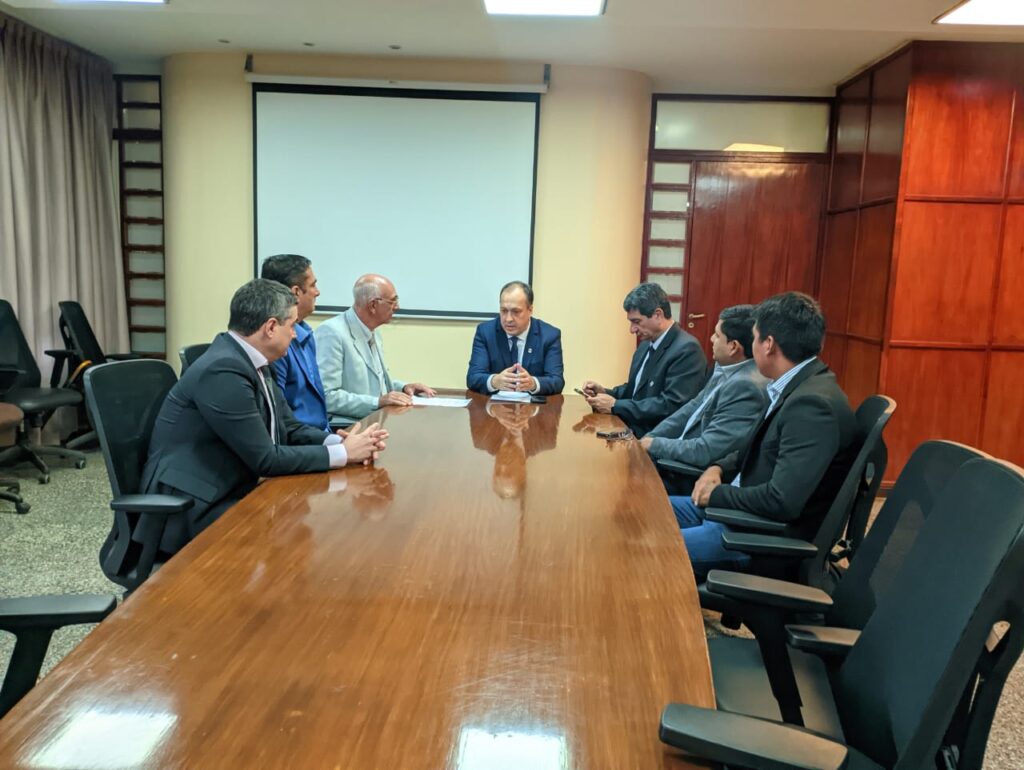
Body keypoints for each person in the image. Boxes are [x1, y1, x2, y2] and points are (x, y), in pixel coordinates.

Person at [140, 279, 388, 555]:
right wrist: (343, 454)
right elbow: (265, 459)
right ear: (270, 327)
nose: (295, 335)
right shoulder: (223, 370)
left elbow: (288, 427)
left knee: (316, 531)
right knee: (312, 544)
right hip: (194, 506)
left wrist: (338, 441)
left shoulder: (254, 359)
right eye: (291, 326)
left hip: (233, 483)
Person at [672, 292, 857, 581]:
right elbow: (753, 448)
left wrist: (717, 495)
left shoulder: (812, 406)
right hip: (736, 513)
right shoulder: (793, 385)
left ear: (768, 344)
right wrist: (717, 468)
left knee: (645, 548)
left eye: (755, 337)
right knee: (641, 514)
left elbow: (782, 501)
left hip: (756, 538)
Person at [639, 304, 768, 477]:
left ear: (733, 346)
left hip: (688, 475)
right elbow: (692, 408)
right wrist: (650, 438)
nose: (711, 339)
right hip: (676, 457)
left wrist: (654, 445)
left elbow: (706, 451)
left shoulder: (745, 386)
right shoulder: (725, 367)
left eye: (717, 335)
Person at [582, 282, 706, 437]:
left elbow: (671, 405)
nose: (632, 329)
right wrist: (605, 392)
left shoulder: (687, 349)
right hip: (630, 428)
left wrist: (615, 406)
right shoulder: (646, 344)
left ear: (658, 315)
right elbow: (636, 391)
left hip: (655, 436)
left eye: (636, 322)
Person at [315, 274, 435, 424]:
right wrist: (377, 402)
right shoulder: (332, 332)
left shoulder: (373, 331)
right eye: (392, 301)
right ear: (373, 305)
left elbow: (375, 384)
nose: (397, 307)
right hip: (347, 427)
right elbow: (326, 396)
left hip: (375, 421)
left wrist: (404, 388)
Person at [260, 253, 328, 430]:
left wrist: (335, 439)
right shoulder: (275, 342)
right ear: (296, 292)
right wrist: (331, 443)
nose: (317, 292)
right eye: (313, 285)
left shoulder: (306, 333)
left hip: (319, 435)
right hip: (301, 439)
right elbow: (278, 419)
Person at [467, 280, 565, 395]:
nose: (508, 319)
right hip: (495, 404)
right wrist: (494, 381)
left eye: (516, 311)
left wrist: (533, 383)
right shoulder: (486, 332)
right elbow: (473, 377)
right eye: (504, 311)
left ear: (530, 310)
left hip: (533, 405)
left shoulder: (549, 335)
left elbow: (557, 381)